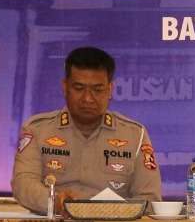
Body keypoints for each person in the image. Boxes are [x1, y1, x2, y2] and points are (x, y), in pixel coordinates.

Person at [11, 46, 160, 213]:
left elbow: (149, 198)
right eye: (79, 88)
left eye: (97, 90)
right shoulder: (37, 130)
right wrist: (54, 202)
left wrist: (115, 213)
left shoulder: (135, 135)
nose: (88, 98)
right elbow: (23, 184)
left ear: (110, 90)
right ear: (65, 87)